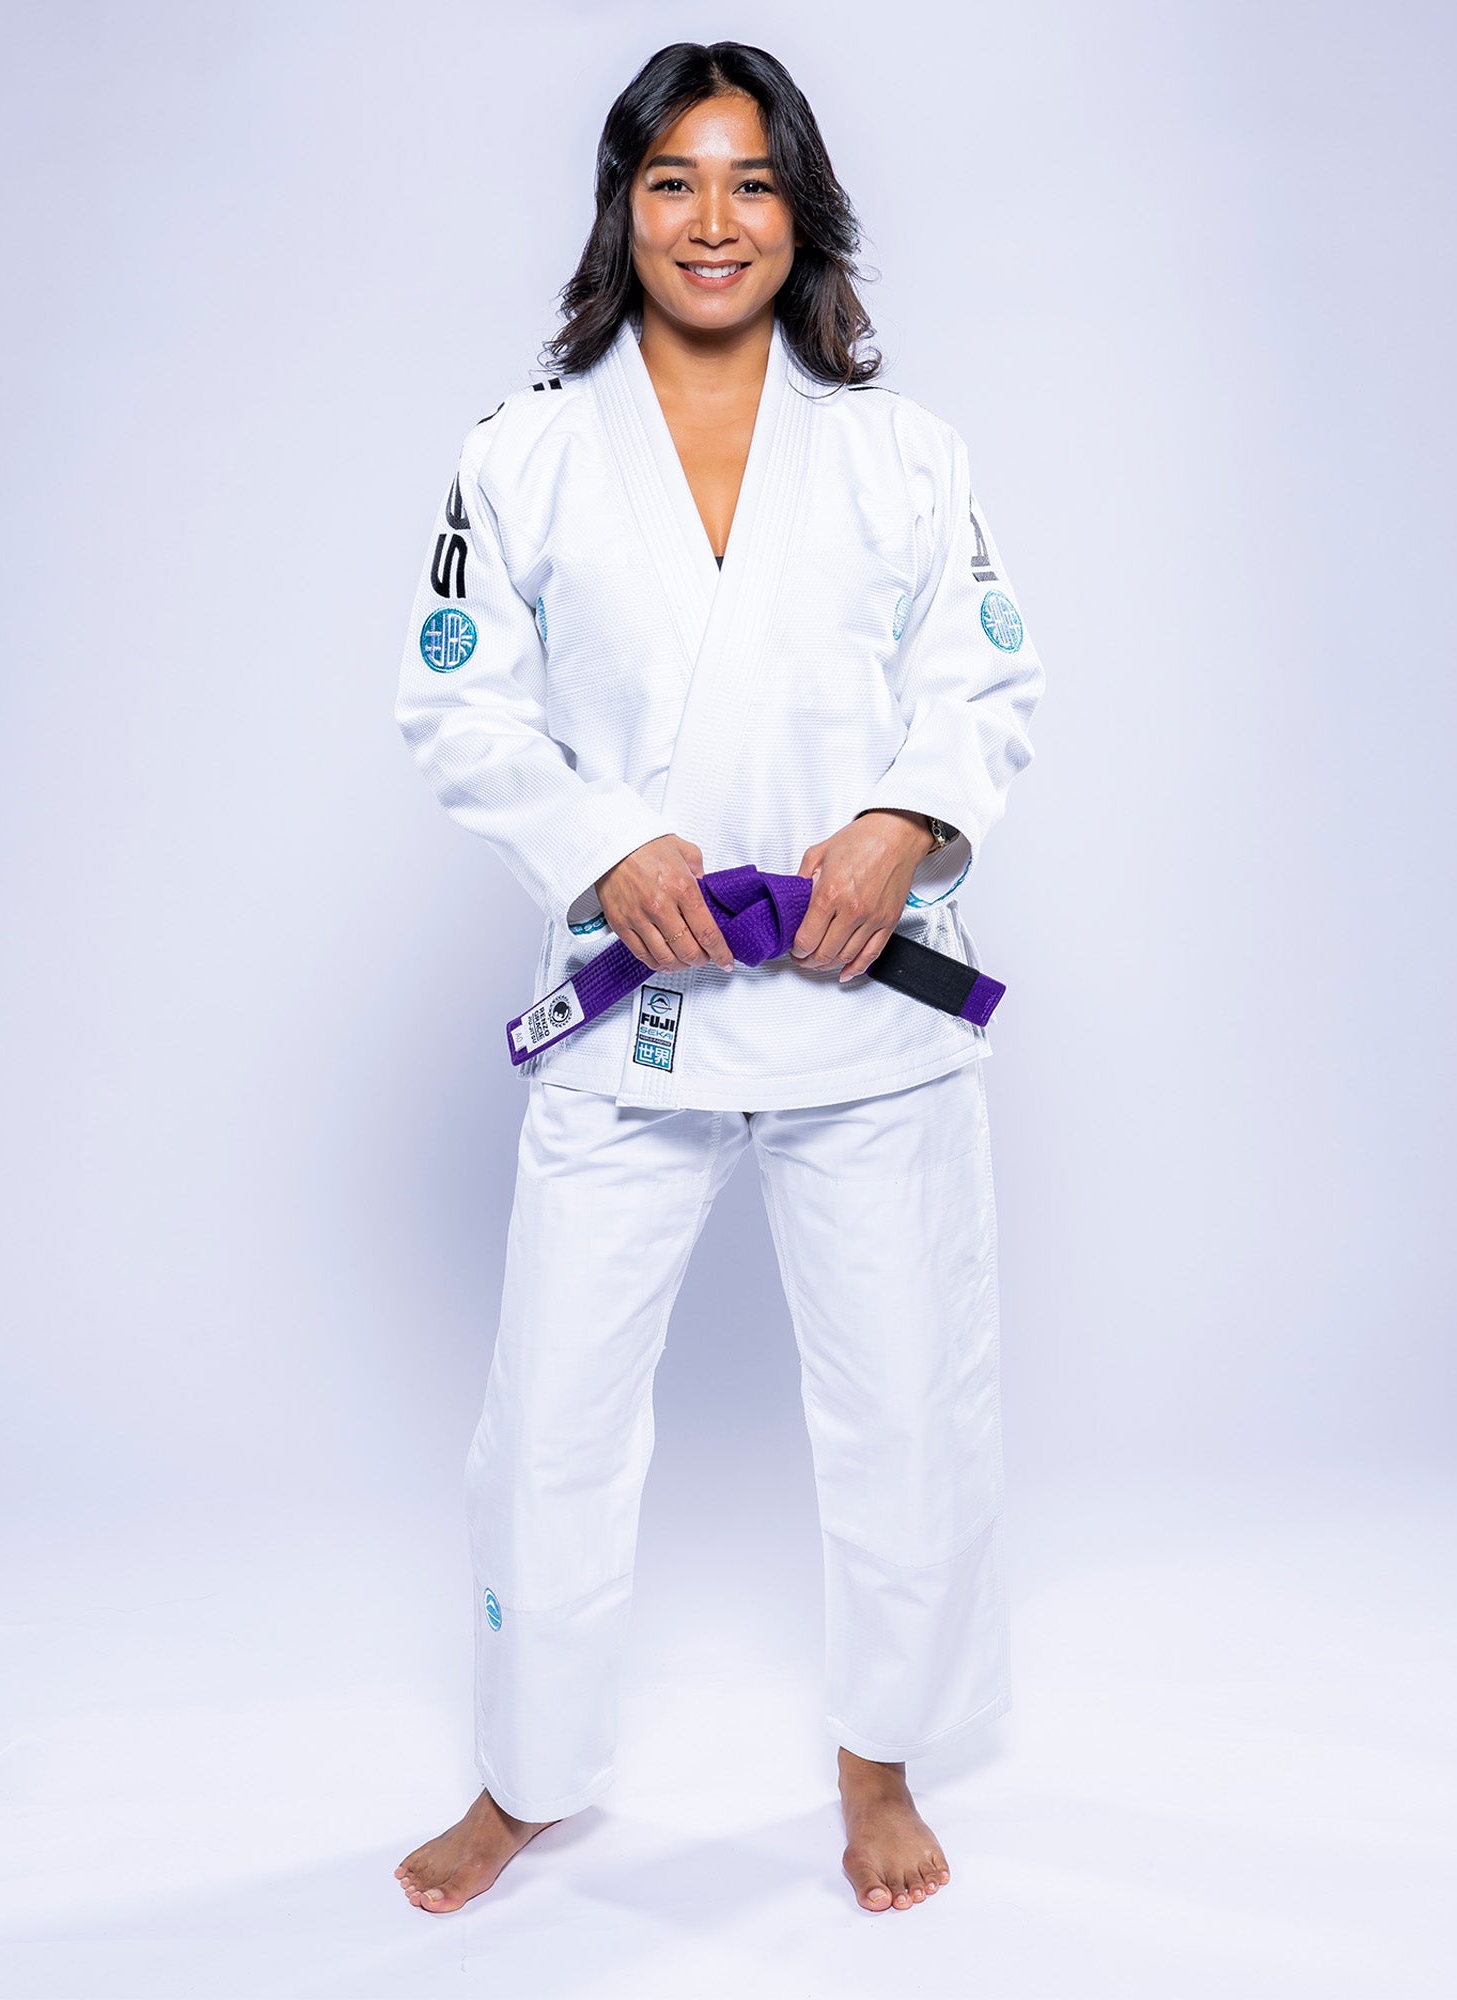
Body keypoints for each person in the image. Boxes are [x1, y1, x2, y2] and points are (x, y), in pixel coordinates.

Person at [392, 40, 1044, 1917]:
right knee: (556, 1416)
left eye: (751, 182)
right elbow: (456, 692)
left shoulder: (907, 453)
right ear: (623, 204)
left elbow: (983, 687)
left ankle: (880, 1764)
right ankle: (528, 1776)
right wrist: (603, 845)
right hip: (635, 994)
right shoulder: (518, 450)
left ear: (802, 209)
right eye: (674, 180)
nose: (712, 219)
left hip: (865, 986)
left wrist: (903, 828)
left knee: (912, 1399)